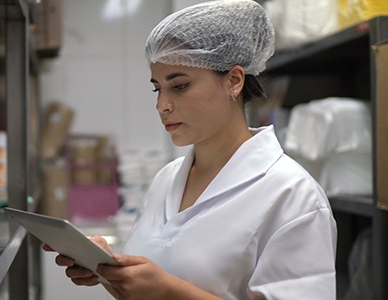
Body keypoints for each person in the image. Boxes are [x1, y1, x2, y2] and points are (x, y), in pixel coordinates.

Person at [44, 0, 337, 299]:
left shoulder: (293, 195)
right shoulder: (167, 180)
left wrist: (168, 290)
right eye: (157, 88)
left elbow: (164, 289)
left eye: (180, 86)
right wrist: (110, 271)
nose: (162, 105)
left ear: (234, 81)